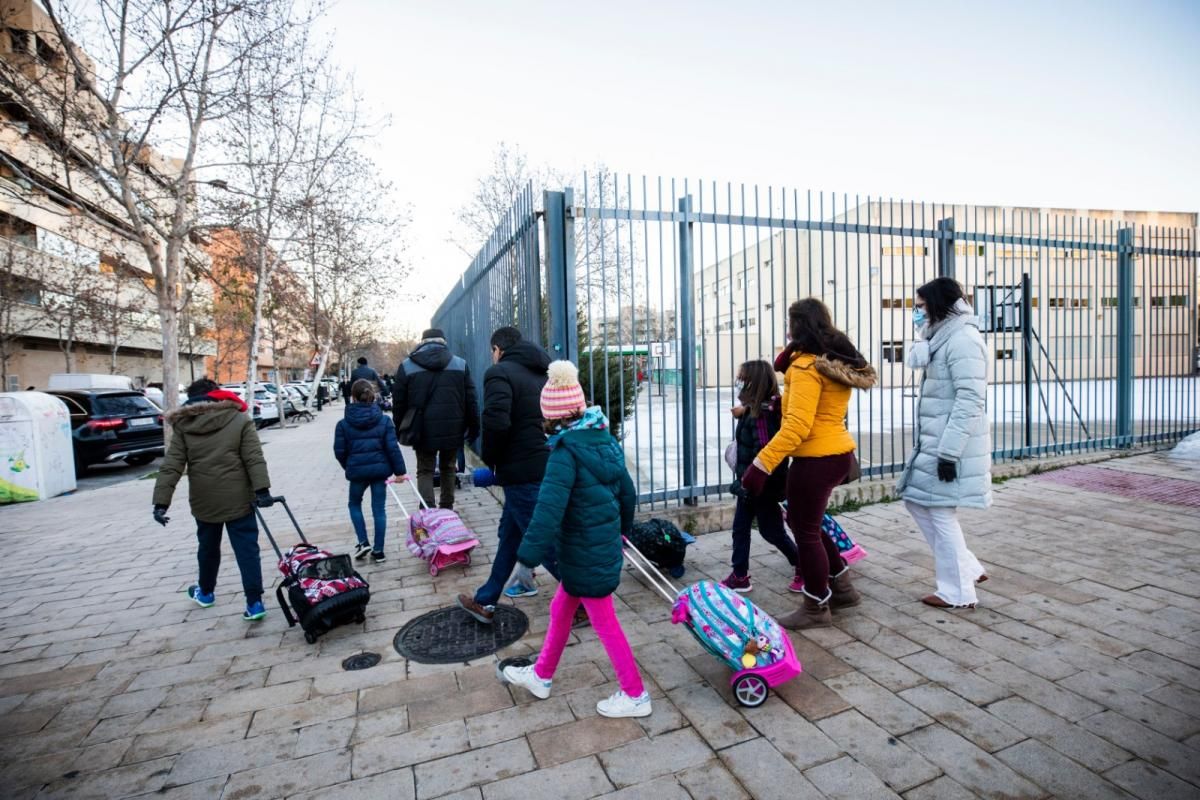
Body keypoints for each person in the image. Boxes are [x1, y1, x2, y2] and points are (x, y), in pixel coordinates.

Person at [495, 360, 651, 719]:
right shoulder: (604, 441)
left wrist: (527, 557)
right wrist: (621, 532)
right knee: (560, 608)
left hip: (584, 552)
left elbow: (547, 511)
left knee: (605, 622)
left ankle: (636, 694)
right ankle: (541, 675)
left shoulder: (565, 455)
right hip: (596, 547)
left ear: (553, 418)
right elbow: (627, 493)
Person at [742, 298, 876, 629]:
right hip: (837, 454)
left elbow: (797, 427)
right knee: (809, 527)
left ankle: (816, 606)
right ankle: (842, 587)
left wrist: (760, 466)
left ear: (797, 327)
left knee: (805, 533)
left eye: (789, 324)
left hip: (814, 459)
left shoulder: (805, 368)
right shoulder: (833, 362)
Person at [896, 277, 991, 609]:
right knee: (917, 502)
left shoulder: (962, 340)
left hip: (949, 446)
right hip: (936, 442)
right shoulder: (942, 337)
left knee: (939, 512)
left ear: (938, 305)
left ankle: (958, 592)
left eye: (921, 306)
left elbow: (970, 400)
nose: (916, 312)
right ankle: (967, 568)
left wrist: (949, 453)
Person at [457, 326, 560, 622]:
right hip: (545, 464)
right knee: (511, 537)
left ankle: (581, 598)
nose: (491, 357)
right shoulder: (543, 372)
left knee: (539, 539)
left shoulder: (499, 373)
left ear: (498, 349)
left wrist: (490, 460)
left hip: (520, 470)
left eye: (492, 351)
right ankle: (485, 599)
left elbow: (496, 422)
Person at [152, 378, 274, 621]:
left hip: (204, 500)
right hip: (240, 498)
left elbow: (172, 466)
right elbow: (254, 458)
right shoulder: (238, 419)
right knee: (247, 550)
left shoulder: (184, 425)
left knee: (207, 549)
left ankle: (206, 593)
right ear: (217, 394)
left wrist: (161, 502)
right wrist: (262, 491)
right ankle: (255, 602)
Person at [723, 359, 799, 593]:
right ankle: (739, 575)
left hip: (760, 486)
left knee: (772, 531)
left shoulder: (762, 416)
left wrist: (753, 482)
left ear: (753, 384)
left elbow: (766, 450)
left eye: (742, 379)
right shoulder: (756, 411)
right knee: (740, 529)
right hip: (748, 485)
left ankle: (803, 564)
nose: (738, 384)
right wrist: (744, 412)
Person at [392, 328, 479, 510]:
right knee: (448, 467)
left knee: (425, 470)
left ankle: (428, 510)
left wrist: (400, 427)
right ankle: (447, 508)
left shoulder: (407, 366)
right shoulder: (460, 364)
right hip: (453, 426)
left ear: (422, 343)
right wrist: (474, 426)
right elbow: (471, 400)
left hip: (421, 428)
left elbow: (398, 402)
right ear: (444, 342)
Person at [335, 379, 408, 562]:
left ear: (352, 396)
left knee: (354, 503)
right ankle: (379, 551)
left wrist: (350, 465)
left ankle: (362, 541)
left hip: (358, 474)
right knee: (379, 510)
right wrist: (400, 472)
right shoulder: (384, 421)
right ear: (372, 395)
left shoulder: (343, 424)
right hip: (379, 472)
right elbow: (392, 448)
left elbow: (339, 451)